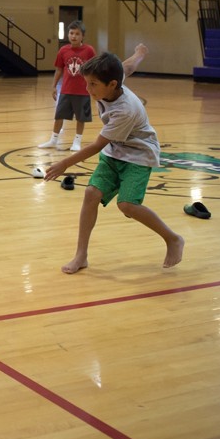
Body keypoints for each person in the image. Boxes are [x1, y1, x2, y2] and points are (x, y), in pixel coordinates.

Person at [44, 48, 183, 274]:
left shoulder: (124, 110)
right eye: (87, 83)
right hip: (115, 151)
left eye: (92, 84)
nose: (88, 89)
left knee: (127, 205)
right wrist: (140, 54)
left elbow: (97, 145)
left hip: (139, 155)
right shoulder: (113, 81)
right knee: (91, 194)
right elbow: (127, 66)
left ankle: (173, 239)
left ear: (112, 84)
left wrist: (64, 163)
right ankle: (81, 255)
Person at [38, 20, 96, 152]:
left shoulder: (89, 50)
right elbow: (59, 69)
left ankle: (77, 141)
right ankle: (53, 139)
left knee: (81, 118)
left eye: (77, 34)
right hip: (66, 90)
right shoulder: (63, 50)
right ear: (68, 34)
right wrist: (53, 86)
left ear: (82, 36)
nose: (73, 36)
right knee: (59, 115)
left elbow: (94, 69)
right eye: (71, 33)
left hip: (83, 91)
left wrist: (93, 86)